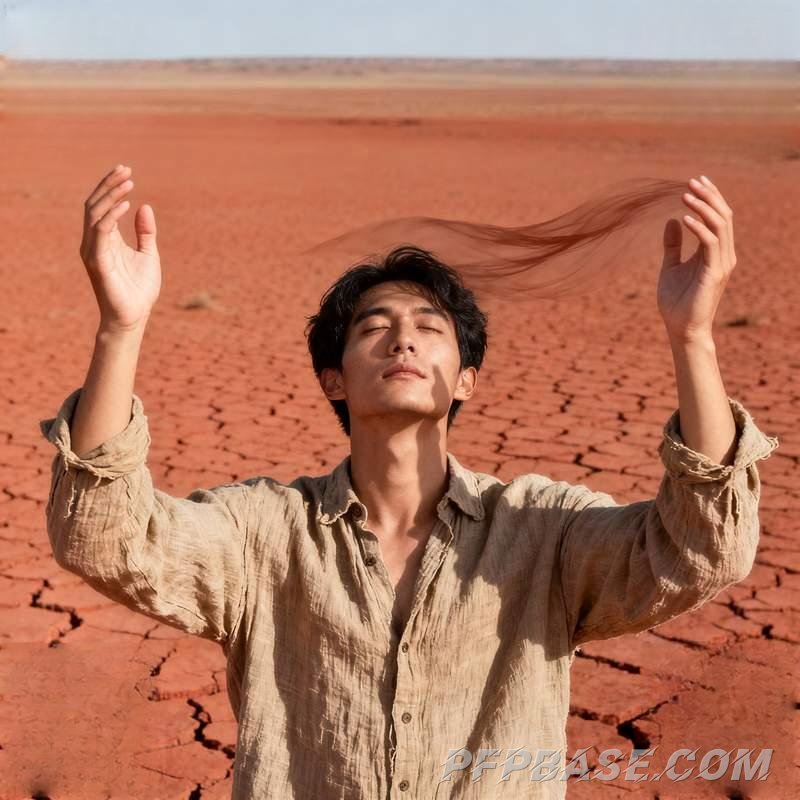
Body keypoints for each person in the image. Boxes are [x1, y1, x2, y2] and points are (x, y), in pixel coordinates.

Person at [39, 165, 779, 799]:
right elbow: (104, 535)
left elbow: (703, 549)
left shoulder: (541, 530)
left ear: (467, 379)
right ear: (334, 378)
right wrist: (119, 327)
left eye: (430, 327)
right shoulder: (263, 533)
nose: (403, 338)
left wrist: (693, 336)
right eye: (373, 327)